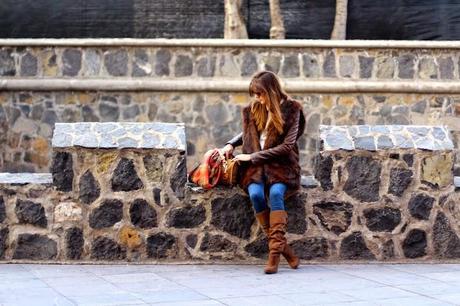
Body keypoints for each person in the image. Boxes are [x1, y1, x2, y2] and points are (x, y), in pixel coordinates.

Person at [221, 70, 306, 274]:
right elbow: (248, 132)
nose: (257, 98)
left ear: (271, 90)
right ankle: (283, 247)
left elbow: (287, 146)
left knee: (276, 194)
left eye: (260, 94)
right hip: (256, 169)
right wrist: (230, 144)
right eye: (255, 94)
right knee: (256, 195)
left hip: (281, 166)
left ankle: (274, 255)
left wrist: (251, 157)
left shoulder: (292, 109)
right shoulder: (254, 109)